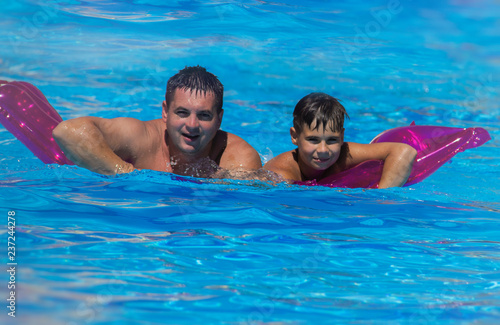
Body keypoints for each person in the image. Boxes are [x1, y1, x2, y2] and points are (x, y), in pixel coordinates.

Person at [53, 66, 262, 178]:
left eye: (204, 115)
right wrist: (123, 172)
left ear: (219, 119)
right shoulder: (142, 138)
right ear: (165, 112)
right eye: (182, 112)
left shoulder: (237, 158)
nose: (191, 125)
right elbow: (68, 131)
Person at [264, 92, 417, 188]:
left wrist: (382, 201)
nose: (323, 150)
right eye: (313, 140)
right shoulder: (279, 176)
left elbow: (405, 151)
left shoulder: (345, 153)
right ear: (295, 137)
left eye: (331, 140)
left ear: (342, 137)